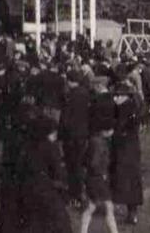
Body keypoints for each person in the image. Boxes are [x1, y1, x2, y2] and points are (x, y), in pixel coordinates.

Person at [110, 76, 144, 225]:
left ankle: (127, 210)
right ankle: (132, 212)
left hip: (124, 149)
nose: (116, 98)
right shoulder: (131, 107)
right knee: (132, 181)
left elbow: (119, 129)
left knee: (124, 180)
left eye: (118, 95)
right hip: (132, 149)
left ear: (126, 96)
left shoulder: (124, 109)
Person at [80, 105, 119, 233]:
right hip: (98, 179)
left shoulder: (93, 140)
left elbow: (85, 160)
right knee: (107, 207)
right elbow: (94, 162)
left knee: (92, 207)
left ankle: (83, 230)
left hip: (92, 178)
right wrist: (101, 173)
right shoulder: (100, 144)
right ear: (106, 130)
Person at [59, 69, 90, 207]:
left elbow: (65, 118)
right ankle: (82, 191)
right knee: (80, 164)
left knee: (72, 165)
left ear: (70, 81)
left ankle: (75, 194)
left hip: (71, 134)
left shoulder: (69, 95)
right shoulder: (86, 93)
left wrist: (61, 133)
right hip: (83, 133)